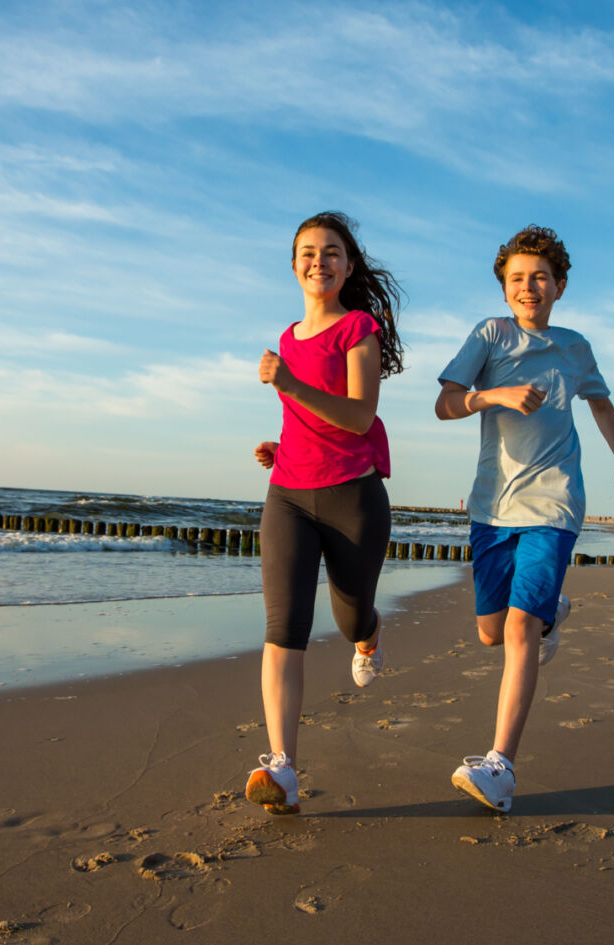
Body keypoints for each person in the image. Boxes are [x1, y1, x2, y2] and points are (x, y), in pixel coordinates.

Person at [434, 224, 614, 813]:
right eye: (518, 279)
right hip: (491, 506)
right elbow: (446, 403)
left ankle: (499, 767)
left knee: (520, 630)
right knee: (491, 632)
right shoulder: (490, 335)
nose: (530, 287)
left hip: (554, 502)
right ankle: (554, 615)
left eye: (540, 278)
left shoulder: (575, 347)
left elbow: (600, 402)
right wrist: (493, 395)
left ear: (560, 286)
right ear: (505, 289)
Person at [244, 211, 406, 816]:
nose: (319, 261)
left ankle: (370, 638)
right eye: (308, 252)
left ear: (349, 265)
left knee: (349, 615)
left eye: (332, 252)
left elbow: (359, 417)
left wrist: (287, 382)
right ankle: (282, 767)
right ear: (293, 266)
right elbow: (307, 419)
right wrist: (282, 447)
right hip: (287, 494)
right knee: (282, 627)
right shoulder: (288, 336)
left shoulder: (357, 328)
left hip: (352, 497)